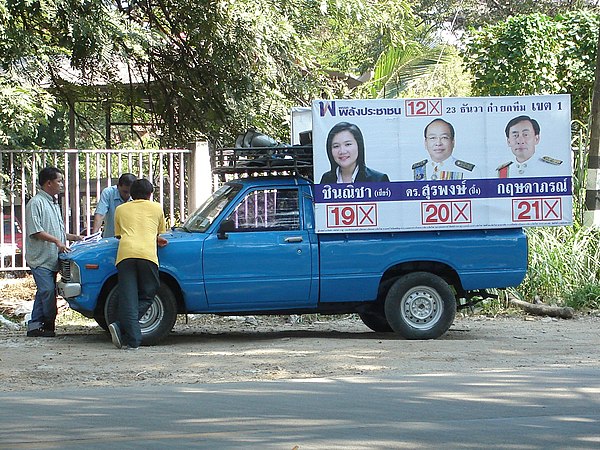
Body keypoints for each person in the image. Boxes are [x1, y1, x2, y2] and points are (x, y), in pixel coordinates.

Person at [108, 178, 168, 350]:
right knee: (149, 293)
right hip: (147, 255)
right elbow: (157, 231)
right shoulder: (157, 208)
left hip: (125, 255)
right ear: (150, 194)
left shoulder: (120, 209)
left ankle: (133, 340)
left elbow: (120, 235)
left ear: (131, 194)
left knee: (128, 298)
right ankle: (120, 327)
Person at [25, 167, 82, 337]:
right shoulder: (36, 203)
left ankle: (35, 326)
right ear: (48, 183)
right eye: (59, 181)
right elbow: (36, 231)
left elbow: (56, 230)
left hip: (52, 258)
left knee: (44, 291)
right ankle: (48, 324)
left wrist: (73, 237)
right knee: (48, 291)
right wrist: (57, 241)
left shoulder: (53, 203)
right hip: (40, 259)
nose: (61, 184)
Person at [319, 122, 389, 183]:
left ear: (359, 146)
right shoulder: (326, 179)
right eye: (336, 146)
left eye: (348, 144)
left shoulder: (378, 180)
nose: (342, 151)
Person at [496, 115, 563, 178]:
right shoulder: (502, 172)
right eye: (515, 135)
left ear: (536, 139)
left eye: (525, 134)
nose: (520, 141)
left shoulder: (552, 168)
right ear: (508, 141)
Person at [412, 118, 479, 181]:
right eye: (432, 138)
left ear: (453, 142)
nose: (438, 143)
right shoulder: (415, 171)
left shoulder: (470, 172)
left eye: (444, 137)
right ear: (425, 143)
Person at [92, 173, 137, 237]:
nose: (128, 195)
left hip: (132, 240)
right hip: (111, 239)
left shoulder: (138, 195)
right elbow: (100, 214)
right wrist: (93, 236)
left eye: (131, 192)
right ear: (118, 187)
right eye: (125, 192)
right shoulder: (108, 193)